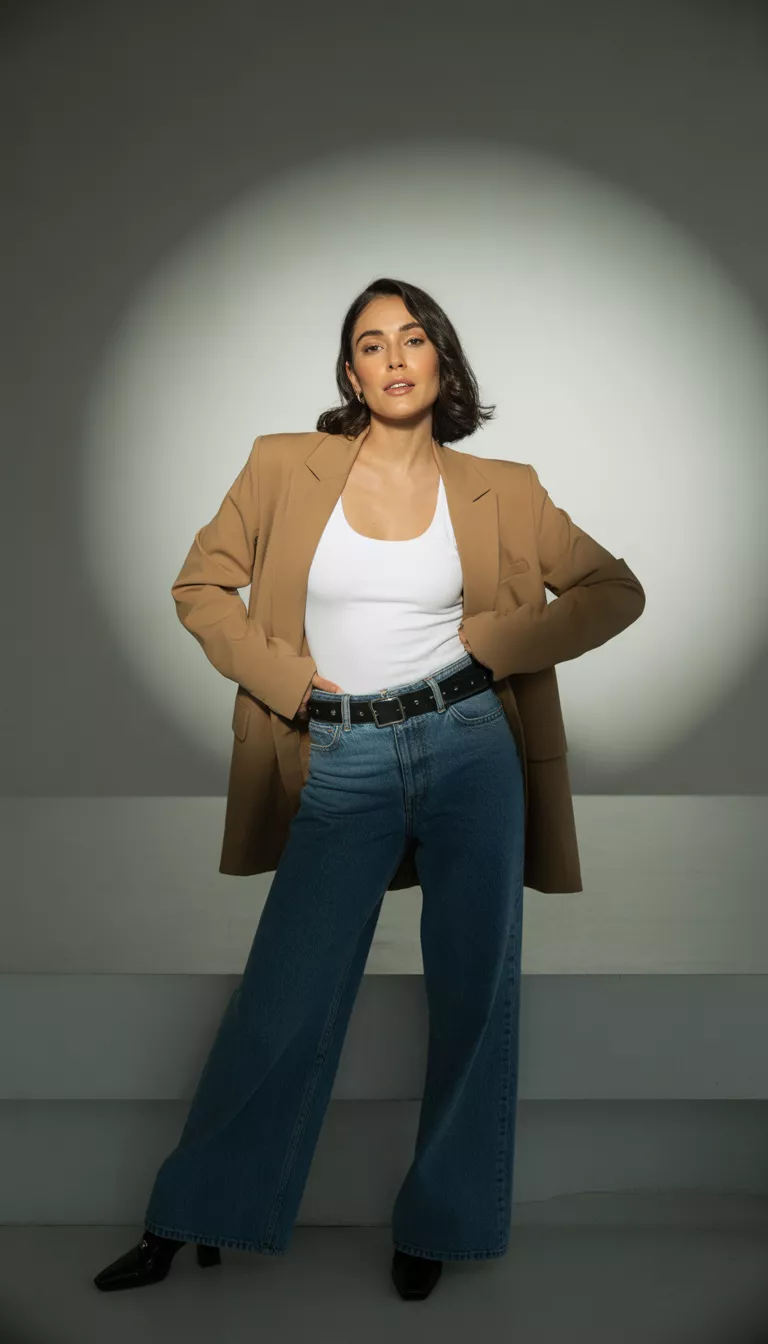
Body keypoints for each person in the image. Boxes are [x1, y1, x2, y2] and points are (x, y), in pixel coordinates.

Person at [94, 276, 644, 1302]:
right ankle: (195, 1211)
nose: (394, 357)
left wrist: (502, 642)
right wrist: (289, 686)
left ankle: (440, 1222)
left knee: (476, 992)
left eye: (414, 337)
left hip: (473, 746)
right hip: (342, 752)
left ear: (442, 362)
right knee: (284, 993)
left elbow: (617, 589)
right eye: (371, 343)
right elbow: (200, 586)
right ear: (350, 373)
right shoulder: (280, 468)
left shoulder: (505, 488)